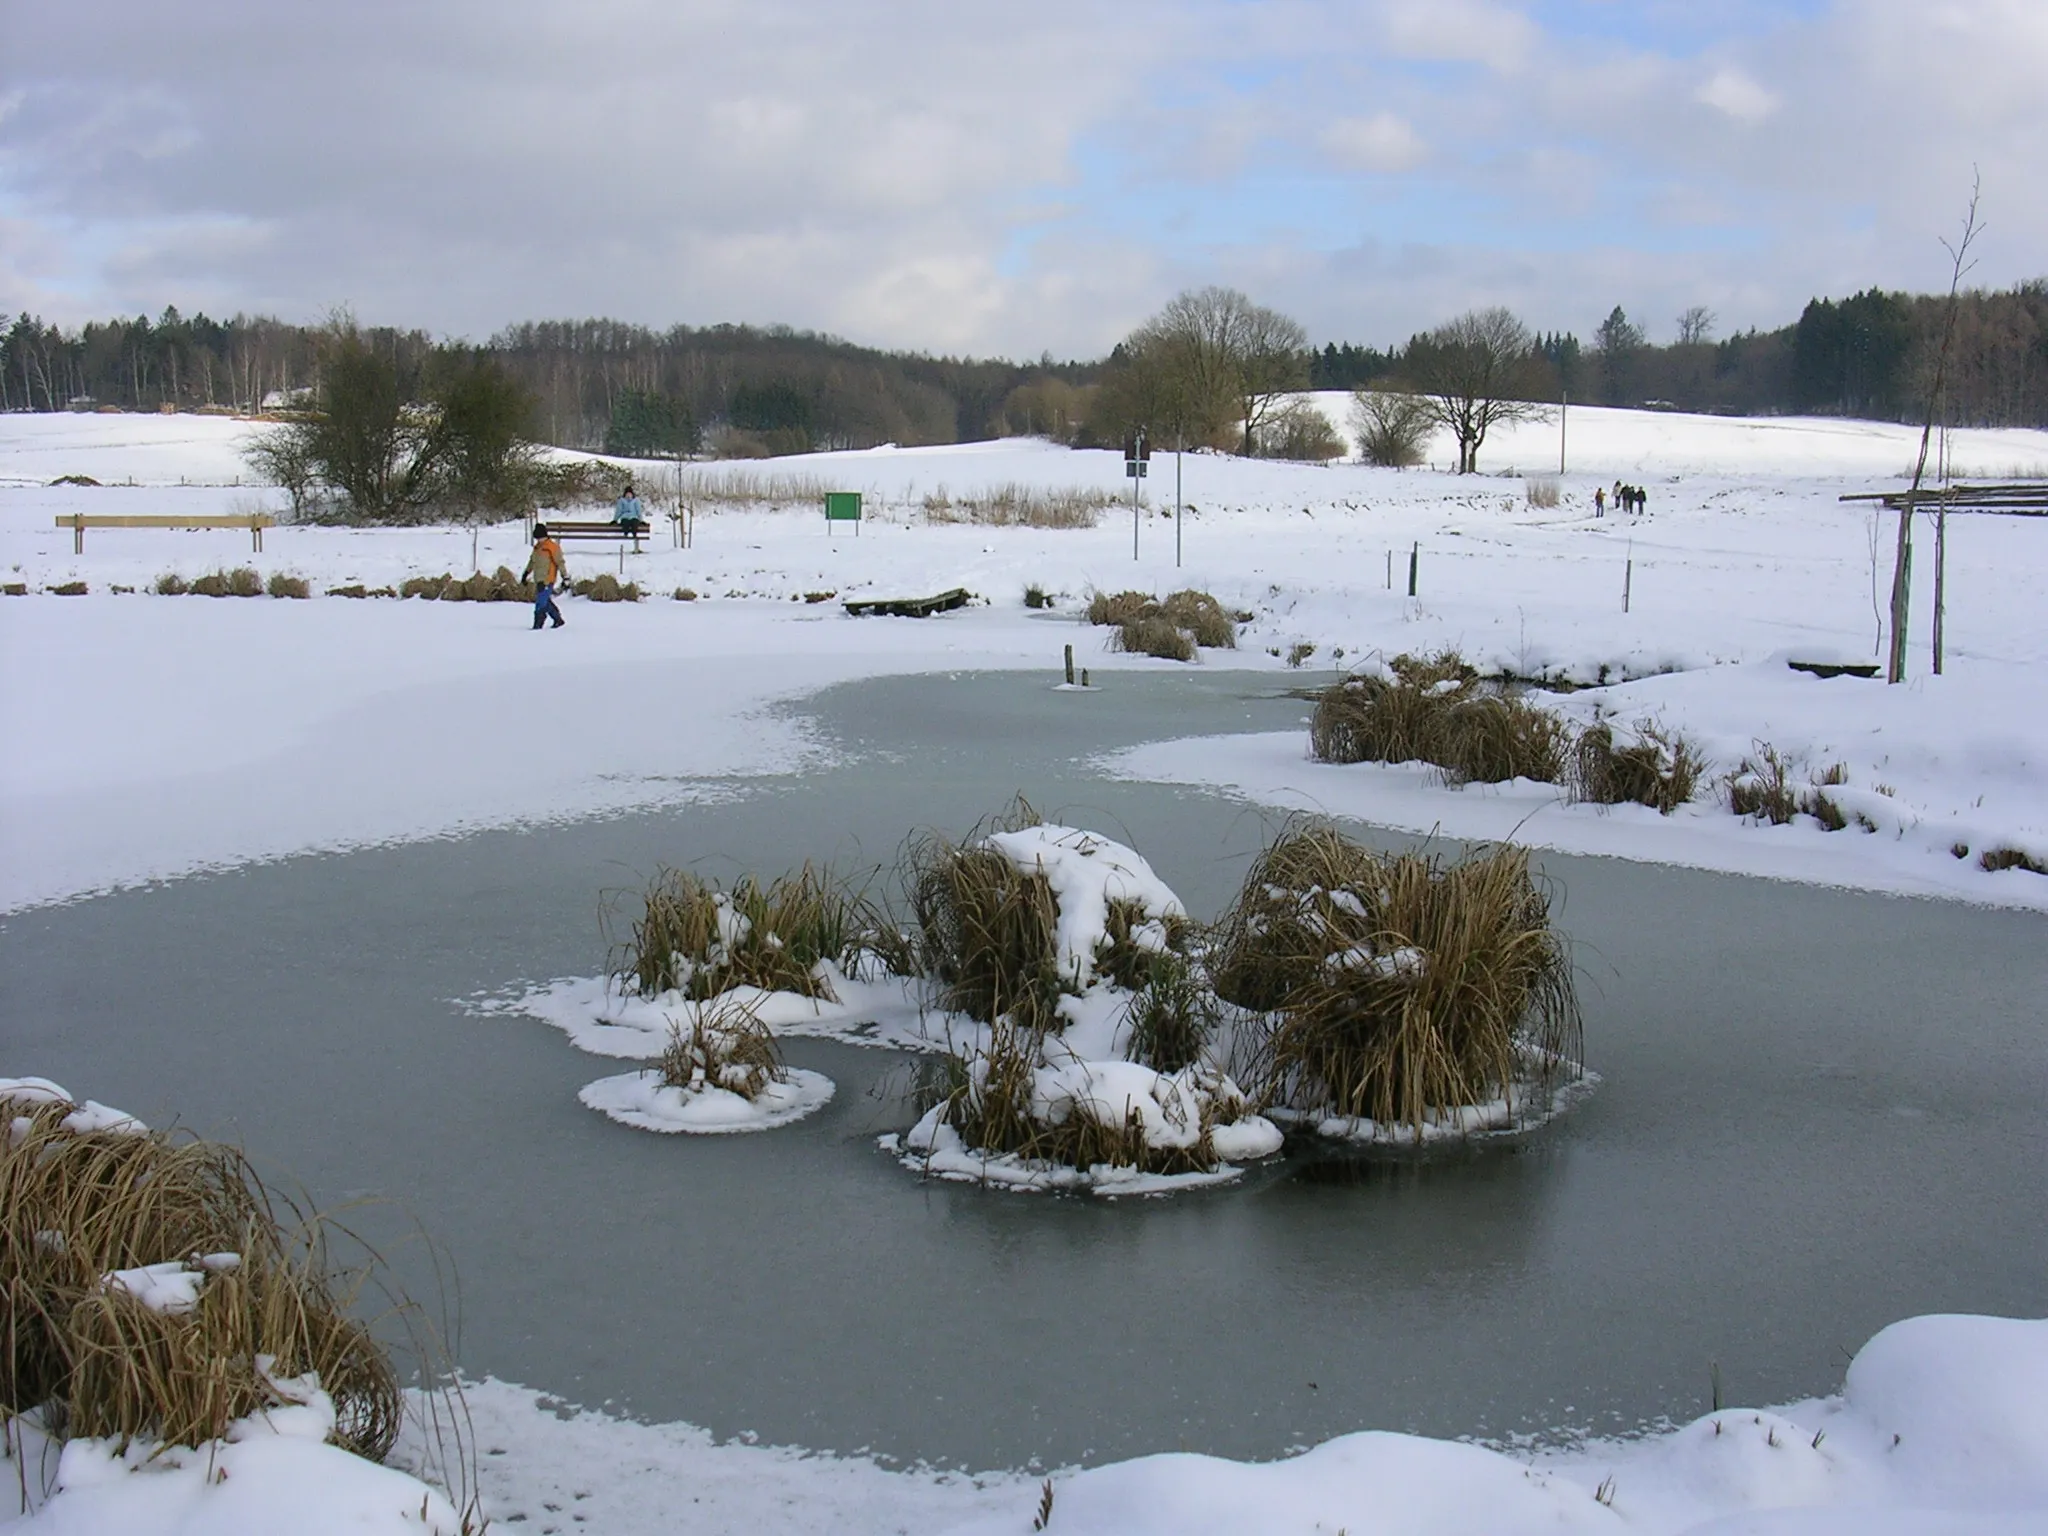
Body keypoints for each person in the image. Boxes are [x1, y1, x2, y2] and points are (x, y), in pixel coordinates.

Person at [523, 523, 567, 630]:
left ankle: (538, 625)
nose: (539, 540)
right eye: (537, 538)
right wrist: (526, 573)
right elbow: (532, 562)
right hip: (538, 579)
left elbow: (560, 563)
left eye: (540, 538)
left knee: (540, 602)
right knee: (545, 601)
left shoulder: (552, 547)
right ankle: (558, 619)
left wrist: (565, 577)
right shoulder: (537, 548)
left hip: (548, 580)